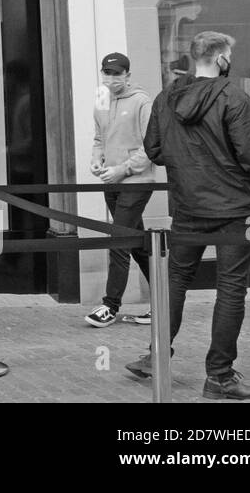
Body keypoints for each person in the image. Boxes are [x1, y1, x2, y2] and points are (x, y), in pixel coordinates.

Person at [132, 31, 250, 400]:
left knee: (175, 280)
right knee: (231, 289)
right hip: (235, 207)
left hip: (188, 204)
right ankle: (220, 376)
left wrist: (186, 163)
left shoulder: (166, 97)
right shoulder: (233, 96)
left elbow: (153, 148)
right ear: (222, 57)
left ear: (195, 57)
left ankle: (155, 356)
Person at [84, 52, 155, 328]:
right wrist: (96, 158)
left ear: (128, 75)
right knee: (137, 245)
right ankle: (166, 300)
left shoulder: (141, 101)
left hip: (136, 182)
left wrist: (122, 169)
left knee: (118, 241)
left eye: (117, 74)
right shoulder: (101, 97)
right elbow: (99, 137)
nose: (111, 79)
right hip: (111, 181)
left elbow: (150, 147)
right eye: (107, 73)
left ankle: (110, 306)